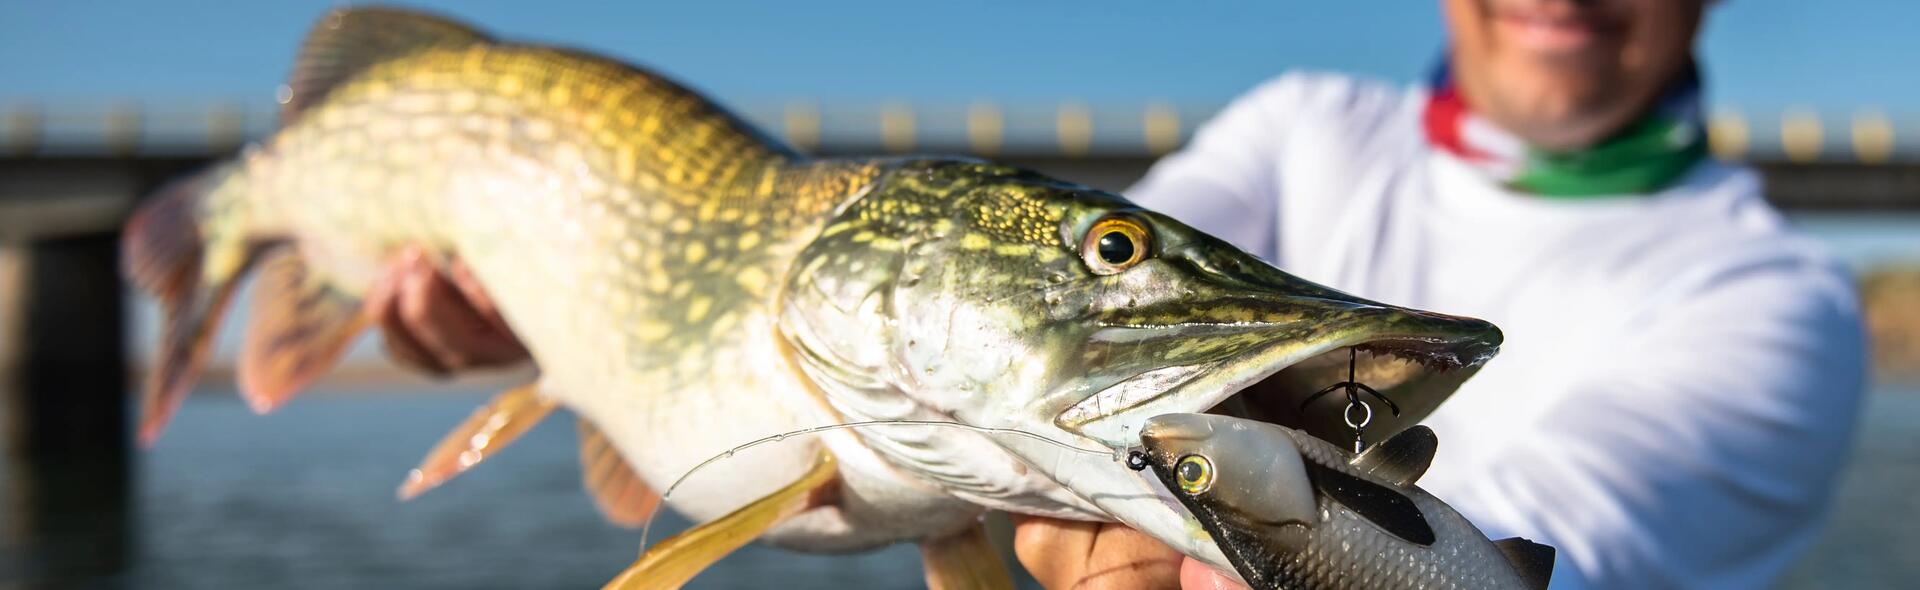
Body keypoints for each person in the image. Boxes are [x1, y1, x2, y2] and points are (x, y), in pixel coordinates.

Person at [371, 1, 1867, 587]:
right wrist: (564, 305)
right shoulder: (1301, 124)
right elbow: (1068, 306)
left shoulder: (1777, 300)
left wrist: (1246, 546)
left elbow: (1547, 537)